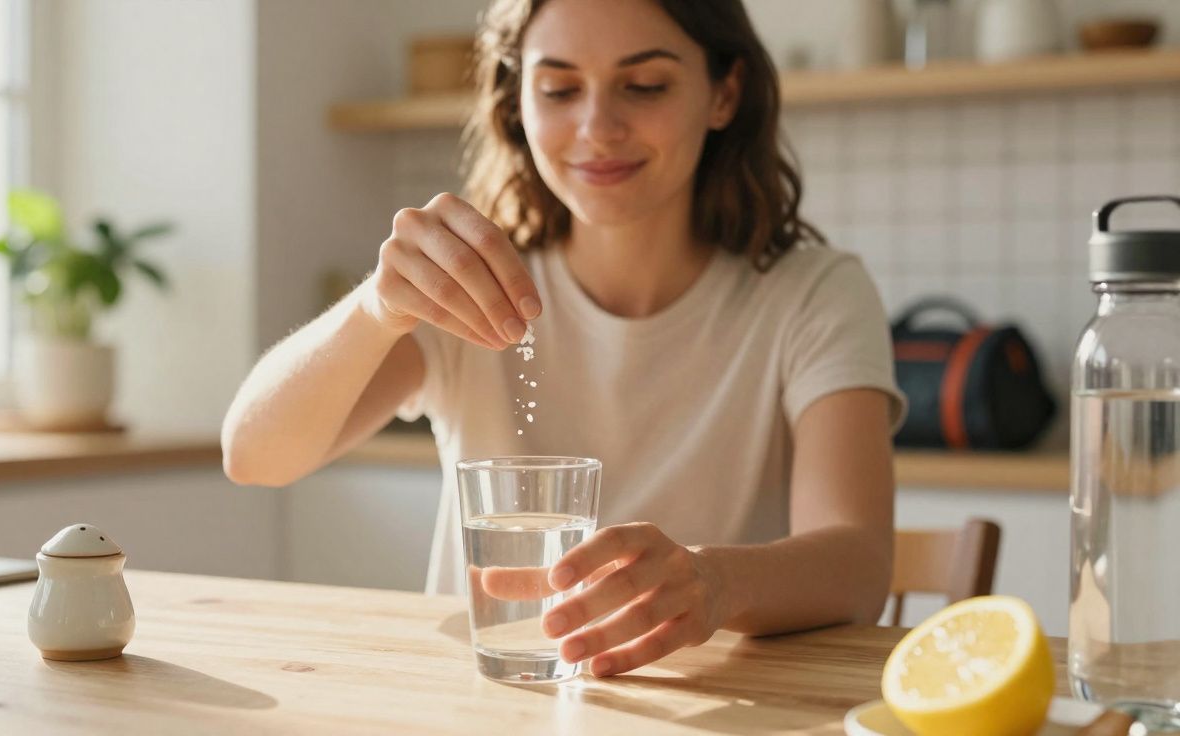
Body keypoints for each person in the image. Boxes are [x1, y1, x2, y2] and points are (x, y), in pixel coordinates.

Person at [222, 0, 905, 678]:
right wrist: (374, 308)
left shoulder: (811, 294)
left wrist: (714, 583)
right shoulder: (468, 285)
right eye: (559, 89)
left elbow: (858, 564)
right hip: (488, 708)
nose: (597, 127)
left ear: (724, 93)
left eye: (645, 86)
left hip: (719, 707)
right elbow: (254, 456)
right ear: (518, 101)